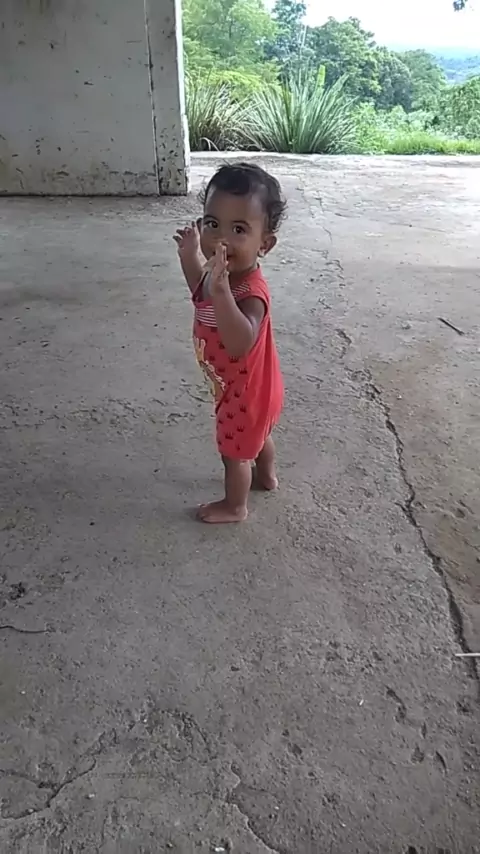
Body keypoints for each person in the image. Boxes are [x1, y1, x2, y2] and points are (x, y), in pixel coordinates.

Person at [173, 162, 286, 524]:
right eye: (212, 224)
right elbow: (200, 292)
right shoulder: (218, 275)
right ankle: (267, 476)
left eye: (238, 229)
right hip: (246, 387)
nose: (221, 239)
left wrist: (223, 292)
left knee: (234, 452)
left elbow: (240, 343)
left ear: (264, 244)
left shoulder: (251, 293)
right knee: (258, 436)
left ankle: (235, 506)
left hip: (245, 394)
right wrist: (189, 256)